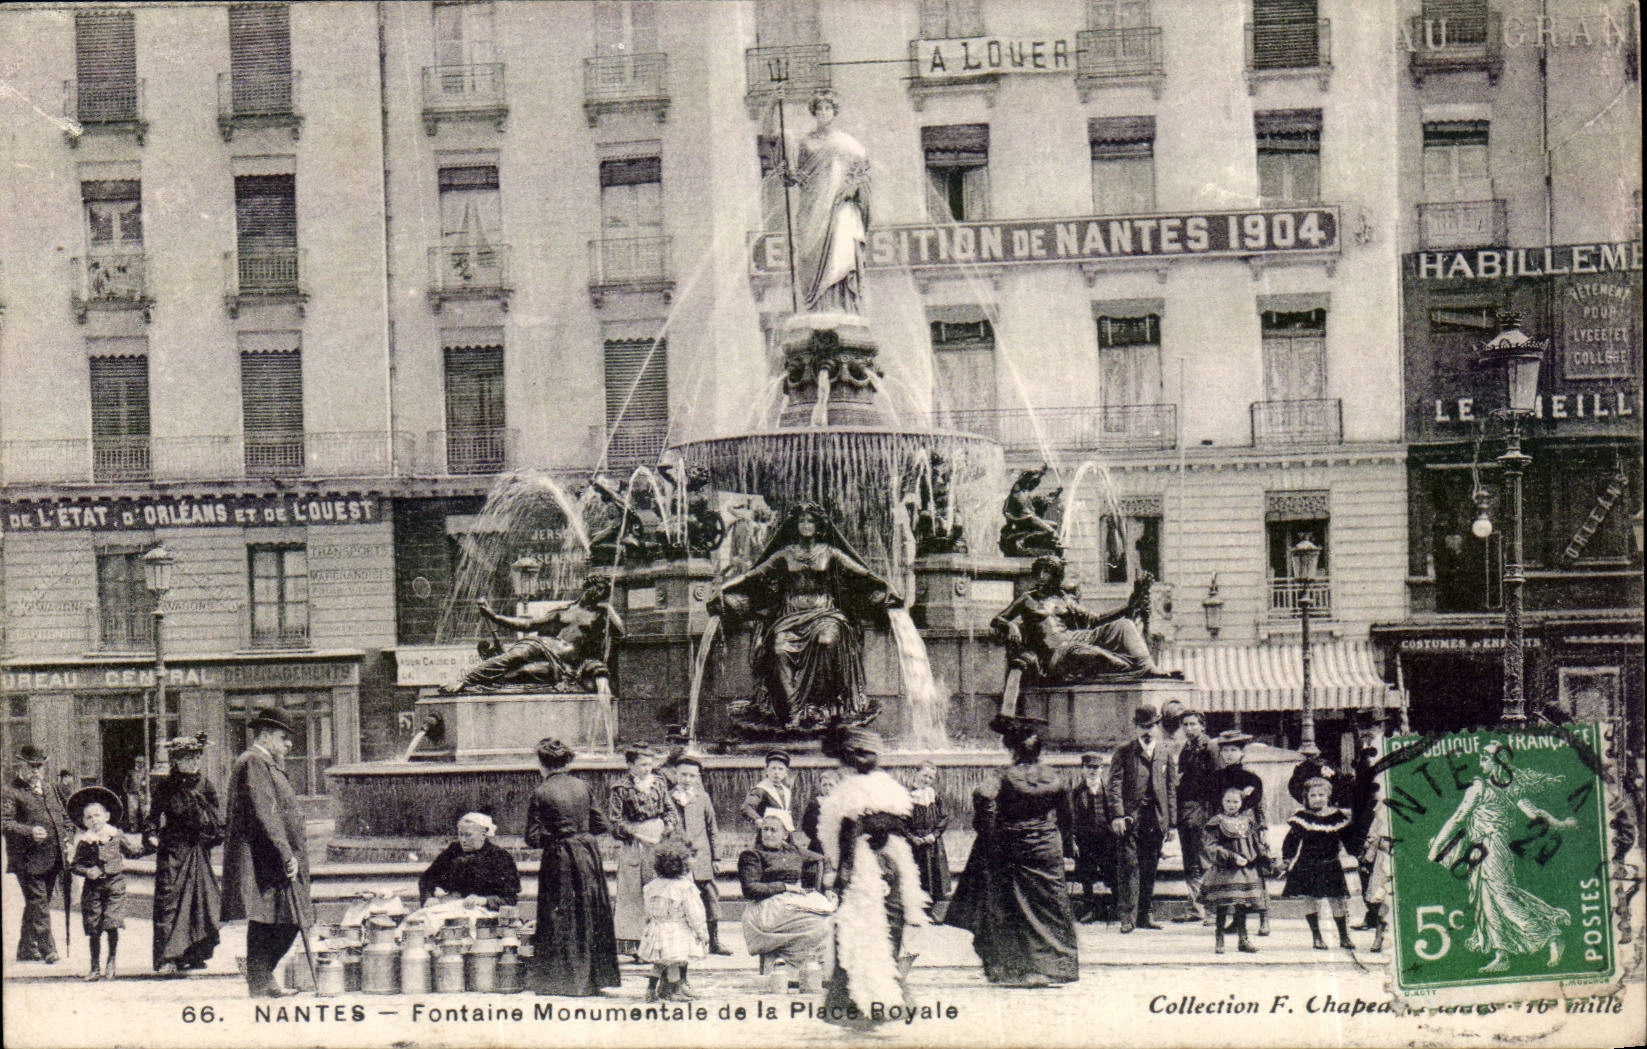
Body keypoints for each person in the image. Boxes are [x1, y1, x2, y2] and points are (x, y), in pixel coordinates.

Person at [712, 503, 899, 733]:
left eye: (810, 521)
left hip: (825, 614)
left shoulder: (830, 552)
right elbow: (753, 575)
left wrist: (887, 587)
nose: (806, 525)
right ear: (795, 525)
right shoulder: (785, 553)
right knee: (779, 650)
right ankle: (793, 713)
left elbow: (863, 572)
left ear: (818, 525)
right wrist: (725, 587)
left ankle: (826, 706)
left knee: (826, 642)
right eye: (801, 521)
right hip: (790, 616)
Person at [946, 714, 1078, 987]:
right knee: (1050, 907)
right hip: (1046, 849)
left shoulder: (1003, 776)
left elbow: (983, 796)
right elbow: (1067, 817)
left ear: (1013, 749)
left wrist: (988, 830)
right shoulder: (1055, 777)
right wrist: (1065, 844)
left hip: (1013, 846)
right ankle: (1055, 966)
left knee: (1009, 907)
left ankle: (1013, 968)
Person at [1427, 741, 1576, 972]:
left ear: (1498, 763)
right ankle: (1502, 954)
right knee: (1487, 900)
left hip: (1492, 847)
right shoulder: (1501, 787)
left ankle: (1550, 935)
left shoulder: (1484, 788)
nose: (1480, 763)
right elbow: (1534, 813)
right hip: (1482, 847)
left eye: (1485, 759)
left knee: (1502, 897)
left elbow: (1458, 818)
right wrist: (1562, 824)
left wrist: (1437, 846)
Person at [816, 725, 928, 1028]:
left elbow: (847, 838)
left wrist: (843, 874)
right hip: (892, 862)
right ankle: (883, 998)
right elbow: (903, 827)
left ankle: (860, 1002)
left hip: (867, 868)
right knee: (884, 932)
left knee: (859, 932)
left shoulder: (850, 792)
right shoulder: (889, 787)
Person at [221, 708, 314, 998]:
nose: (289, 744)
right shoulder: (254, 763)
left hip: (271, 855)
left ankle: (260, 976)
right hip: (266, 856)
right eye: (283, 737)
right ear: (264, 735)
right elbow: (266, 812)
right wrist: (286, 854)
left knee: (278, 917)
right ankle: (259, 977)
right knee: (279, 918)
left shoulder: (264, 762)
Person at [523, 738, 620, 997]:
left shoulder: (541, 792)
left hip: (559, 857)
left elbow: (532, 838)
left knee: (560, 913)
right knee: (590, 910)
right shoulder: (583, 786)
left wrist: (554, 835)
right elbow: (601, 825)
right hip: (588, 854)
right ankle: (594, 978)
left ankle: (561, 981)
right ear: (567, 762)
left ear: (542, 764)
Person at [991, 555, 1166, 685]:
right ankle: (1132, 670)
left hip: (1077, 637)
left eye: (1048, 572)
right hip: (1058, 651)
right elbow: (998, 619)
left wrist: (1129, 605)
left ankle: (1149, 668)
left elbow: (1096, 619)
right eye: (1040, 571)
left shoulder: (1065, 599)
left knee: (1124, 625)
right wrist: (1011, 626)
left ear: (1057, 576)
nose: (1042, 576)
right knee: (1101, 657)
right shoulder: (1027, 599)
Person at [442, 575, 625, 694]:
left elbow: (622, 631)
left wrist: (609, 608)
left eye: (604, 591)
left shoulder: (601, 613)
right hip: (542, 643)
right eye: (599, 588)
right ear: (588, 587)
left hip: (561, 663)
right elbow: (528, 624)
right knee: (513, 656)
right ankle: (465, 679)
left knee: (524, 671)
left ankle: (482, 684)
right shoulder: (564, 610)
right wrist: (494, 616)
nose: (601, 593)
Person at [147, 735, 223, 976]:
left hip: (198, 850)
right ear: (176, 761)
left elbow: (217, 821)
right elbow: (151, 818)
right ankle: (167, 957)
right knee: (169, 903)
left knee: (199, 901)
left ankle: (193, 953)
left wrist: (211, 835)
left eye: (196, 757)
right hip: (173, 850)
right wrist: (151, 835)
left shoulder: (206, 785)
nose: (192, 762)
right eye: (186, 758)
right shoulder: (165, 786)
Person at [791, 90, 870, 315]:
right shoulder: (805, 143)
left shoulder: (848, 143)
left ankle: (841, 305)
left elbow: (864, 173)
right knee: (812, 253)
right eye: (819, 109)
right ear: (814, 112)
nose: (824, 113)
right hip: (813, 207)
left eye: (828, 108)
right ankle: (818, 305)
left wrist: (854, 187)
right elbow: (798, 173)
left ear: (834, 112)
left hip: (840, 206)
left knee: (841, 251)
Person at [1105, 705, 1176, 933]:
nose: (1147, 731)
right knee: (1128, 865)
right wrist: (1117, 814)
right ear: (1135, 727)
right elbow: (1114, 785)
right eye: (1143, 727)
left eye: (1151, 726)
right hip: (1130, 819)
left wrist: (1171, 822)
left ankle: (1145, 915)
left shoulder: (1165, 752)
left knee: (1149, 867)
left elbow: (1171, 789)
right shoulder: (1124, 751)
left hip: (1156, 819)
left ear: (1158, 726)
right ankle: (1128, 917)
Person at [3, 744, 73, 964]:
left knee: (36, 903)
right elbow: (5, 822)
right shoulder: (10, 791)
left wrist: (68, 839)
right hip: (27, 858)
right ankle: (47, 948)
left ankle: (26, 948)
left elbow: (65, 816)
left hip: (53, 856)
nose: (35, 771)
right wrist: (29, 831)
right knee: (39, 903)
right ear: (21, 766)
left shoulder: (51, 788)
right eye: (31, 766)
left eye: (39, 766)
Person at [738, 814, 830, 980]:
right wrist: (785, 887)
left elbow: (822, 859)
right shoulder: (752, 855)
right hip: (766, 908)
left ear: (785, 834)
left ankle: (799, 968)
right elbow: (750, 889)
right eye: (765, 829)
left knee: (828, 920)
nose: (768, 834)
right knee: (818, 923)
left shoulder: (793, 851)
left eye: (774, 830)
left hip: (790, 903)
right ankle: (790, 968)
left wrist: (828, 887)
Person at [67, 786, 144, 980]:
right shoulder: (85, 841)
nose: (94, 820)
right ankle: (94, 967)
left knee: (112, 923)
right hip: (93, 888)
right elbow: (75, 865)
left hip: (115, 885)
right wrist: (86, 871)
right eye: (89, 817)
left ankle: (111, 959)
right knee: (94, 927)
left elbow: (132, 851)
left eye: (97, 815)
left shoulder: (115, 835)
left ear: (107, 816)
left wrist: (151, 844)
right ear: (84, 822)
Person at [609, 747, 679, 959]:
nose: (647, 768)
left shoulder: (659, 782)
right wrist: (636, 835)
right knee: (633, 892)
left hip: (657, 839)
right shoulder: (620, 788)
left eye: (649, 764)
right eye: (642, 764)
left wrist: (667, 826)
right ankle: (634, 944)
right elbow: (615, 821)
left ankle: (657, 943)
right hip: (635, 841)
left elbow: (670, 810)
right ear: (630, 766)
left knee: (658, 888)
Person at [1279, 777, 1355, 951]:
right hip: (1307, 864)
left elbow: (1350, 840)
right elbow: (1291, 841)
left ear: (1328, 796)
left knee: (1337, 899)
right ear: (1306, 798)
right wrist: (1286, 860)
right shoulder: (1302, 818)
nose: (1318, 798)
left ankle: (1344, 936)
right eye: (1313, 795)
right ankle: (1317, 936)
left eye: (1321, 794)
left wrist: (1360, 852)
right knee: (1311, 899)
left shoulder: (1337, 817)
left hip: (1331, 864)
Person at [1207, 730, 1270, 936]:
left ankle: (1264, 918)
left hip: (1248, 831)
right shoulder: (1216, 778)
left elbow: (1259, 807)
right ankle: (1236, 919)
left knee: (1255, 872)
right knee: (1232, 875)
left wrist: (1263, 830)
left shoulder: (1252, 778)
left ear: (1242, 753)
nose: (1229, 754)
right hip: (1226, 831)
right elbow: (1213, 806)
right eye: (1225, 750)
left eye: (1233, 750)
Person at [667, 756, 729, 955]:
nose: (687, 779)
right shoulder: (667, 797)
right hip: (678, 857)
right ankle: (682, 943)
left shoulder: (703, 798)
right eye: (683, 774)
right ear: (675, 774)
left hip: (702, 858)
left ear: (698, 778)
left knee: (710, 898)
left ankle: (714, 941)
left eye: (692, 775)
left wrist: (716, 858)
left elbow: (712, 828)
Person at [1201, 786, 1269, 955]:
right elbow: (1211, 846)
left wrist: (1264, 856)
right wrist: (1231, 856)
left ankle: (1243, 939)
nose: (1231, 805)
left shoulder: (1248, 821)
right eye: (1228, 801)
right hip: (1226, 869)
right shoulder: (1216, 822)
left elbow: (1254, 843)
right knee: (1223, 905)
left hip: (1245, 869)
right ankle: (1219, 939)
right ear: (1222, 802)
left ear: (1242, 803)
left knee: (1242, 905)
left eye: (1235, 802)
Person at [639, 842, 708, 1003]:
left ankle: (650, 990)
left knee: (660, 963)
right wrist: (701, 932)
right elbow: (694, 913)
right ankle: (675, 991)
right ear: (684, 865)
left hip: (657, 927)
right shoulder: (685, 887)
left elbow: (647, 910)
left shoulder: (651, 886)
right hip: (676, 929)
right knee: (674, 962)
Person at [1173, 710, 1222, 924]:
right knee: (1190, 860)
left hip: (1204, 811)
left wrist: (1213, 815)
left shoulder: (1210, 748)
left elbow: (1218, 781)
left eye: (1193, 724)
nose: (1189, 728)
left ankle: (1211, 910)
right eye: (1185, 724)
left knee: (1204, 859)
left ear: (1202, 725)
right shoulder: (1186, 749)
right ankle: (1195, 908)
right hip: (1186, 812)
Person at [418, 813, 521, 911]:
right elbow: (427, 879)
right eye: (460, 834)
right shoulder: (453, 852)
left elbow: (511, 899)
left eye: (468, 835)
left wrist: (484, 901)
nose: (463, 840)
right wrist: (429, 898)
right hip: (453, 908)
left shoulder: (500, 857)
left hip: (486, 914)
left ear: (483, 834)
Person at [1069, 752, 1116, 923]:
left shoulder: (1109, 791)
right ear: (1082, 769)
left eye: (1096, 768)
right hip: (1086, 840)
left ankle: (1116, 907)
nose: (1092, 771)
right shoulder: (1077, 792)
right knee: (1086, 875)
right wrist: (1073, 841)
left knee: (1111, 872)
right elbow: (1071, 818)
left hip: (1107, 840)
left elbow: (1115, 814)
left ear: (1102, 770)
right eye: (1089, 767)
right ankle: (1089, 908)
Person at [907, 762, 951, 907]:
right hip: (915, 842)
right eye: (924, 775)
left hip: (932, 841)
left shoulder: (935, 795)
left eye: (931, 778)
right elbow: (901, 821)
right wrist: (912, 837)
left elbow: (944, 816)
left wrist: (935, 834)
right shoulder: (907, 795)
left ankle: (935, 905)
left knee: (934, 871)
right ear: (916, 773)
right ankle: (915, 905)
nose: (927, 780)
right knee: (916, 871)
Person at [998, 467, 1063, 558]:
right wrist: (1038, 471)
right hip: (1025, 518)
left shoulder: (1026, 491)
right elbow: (1025, 478)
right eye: (1029, 480)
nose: (1030, 483)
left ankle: (1032, 540)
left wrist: (1057, 492)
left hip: (1030, 518)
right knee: (1051, 532)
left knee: (1054, 525)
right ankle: (1023, 540)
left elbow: (1034, 483)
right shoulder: (1017, 490)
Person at [740, 751, 795, 828]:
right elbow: (747, 807)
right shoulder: (761, 789)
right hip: (768, 831)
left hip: (784, 831)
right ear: (766, 770)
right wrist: (757, 819)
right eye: (773, 768)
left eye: (781, 769)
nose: (777, 772)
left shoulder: (786, 790)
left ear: (786, 772)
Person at [800, 768, 839, 855]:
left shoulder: (842, 804)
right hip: (819, 843)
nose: (827, 788)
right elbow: (806, 826)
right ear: (820, 786)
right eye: (824, 785)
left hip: (837, 841)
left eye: (831, 785)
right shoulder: (814, 804)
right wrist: (818, 837)